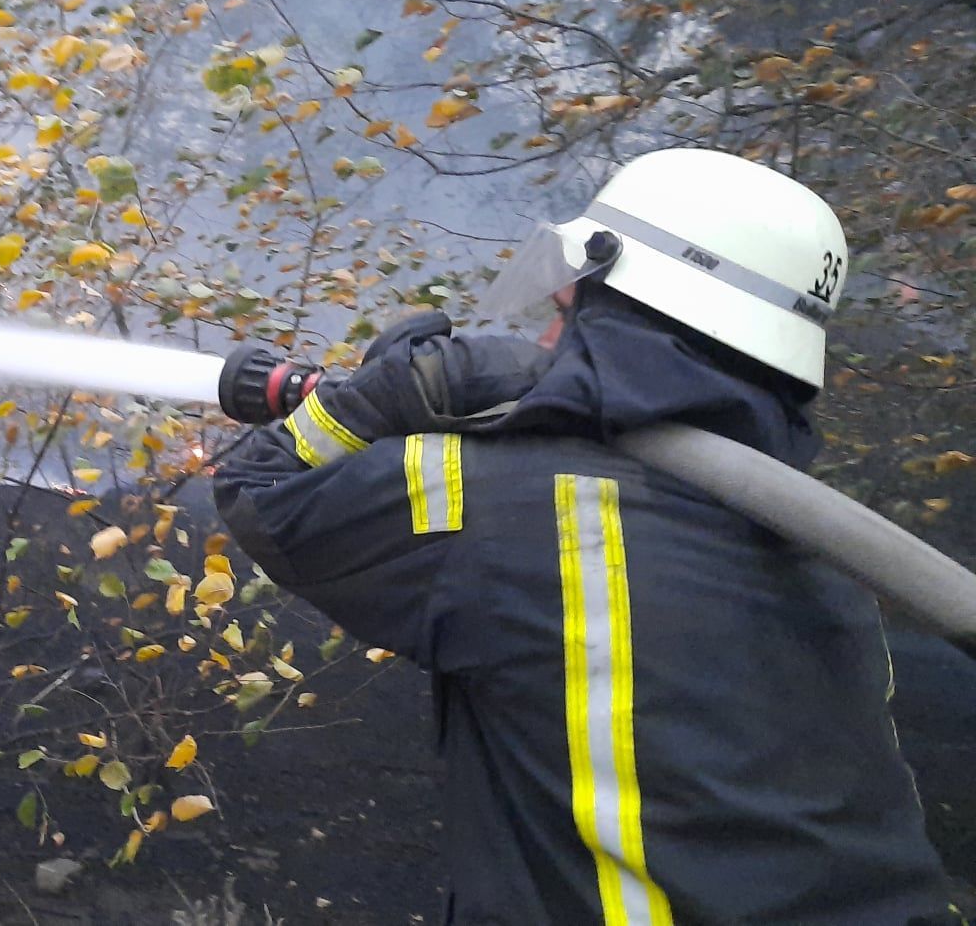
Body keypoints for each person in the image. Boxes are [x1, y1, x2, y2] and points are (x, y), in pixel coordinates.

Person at [213, 148, 959, 924]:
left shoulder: (511, 503)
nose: (544, 332)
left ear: (614, 309)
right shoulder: (826, 550)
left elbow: (263, 491)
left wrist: (378, 399)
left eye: (566, 311)